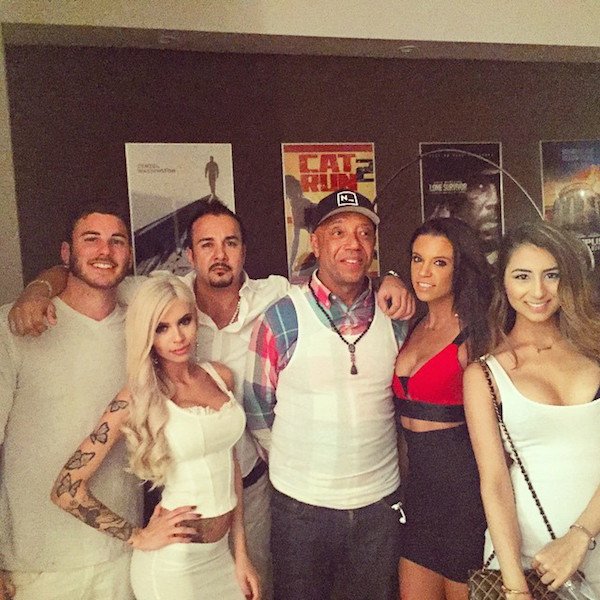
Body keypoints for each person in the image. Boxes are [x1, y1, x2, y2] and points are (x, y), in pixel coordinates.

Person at [7, 198, 414, 600]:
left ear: (244, 251)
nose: (219, 255)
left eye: (230, 243)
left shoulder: (271, 303)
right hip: (180, 542)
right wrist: (38, 289)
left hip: (253, 499)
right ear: (189, 255)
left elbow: (341, 273)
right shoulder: (162, 298)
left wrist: (389, 279)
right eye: (206, 244)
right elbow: (87, 272)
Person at [51, 275, 260, 599]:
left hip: (221, 556)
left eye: (184, 321)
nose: (178, 337)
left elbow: (230, 463)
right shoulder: (138, 396)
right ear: (147, 334)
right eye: (162, 328)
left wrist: (241, 553)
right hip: (171, 567)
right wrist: (137, 536)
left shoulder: (220, 377)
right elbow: (65, 489)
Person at [244, 189, 407, 600]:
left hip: (379, 507)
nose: (353, 244)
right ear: (315, 243)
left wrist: (394, 278)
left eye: (364, 233)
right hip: (301, 509)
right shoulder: (282, 317)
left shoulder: (396, 316)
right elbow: (258, 407)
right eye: (338, 232)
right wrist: (300, 460)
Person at [0, 207, 142, 600]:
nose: (105, 251)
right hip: (37, 563)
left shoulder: (143, 327)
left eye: (117, 241)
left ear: (129, 255)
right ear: (66, 253)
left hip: (122, 553)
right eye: (91, 239)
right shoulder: (15, 326)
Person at [464, 221, 600, 598]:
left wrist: (580, 536)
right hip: (528, 562)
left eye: (551, 275)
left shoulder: (595, 350)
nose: (538, 291)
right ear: (504, 284)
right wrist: (515, 587)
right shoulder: (485, 374)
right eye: (522, 276)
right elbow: (494, 483)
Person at [393, 218, 492, 600]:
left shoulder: (478, 334)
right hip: (417, 501)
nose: (423, 272)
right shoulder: (412, 325)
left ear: (459, 268)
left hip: (466, 501)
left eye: (439, 262)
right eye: (418, 259)